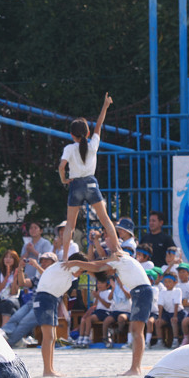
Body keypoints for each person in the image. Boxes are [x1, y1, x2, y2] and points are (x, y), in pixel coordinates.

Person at [57, 92, 121, 261]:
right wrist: (105, 105)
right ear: (87, 133)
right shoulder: (93, 145)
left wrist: (64, 179)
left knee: (70, 224)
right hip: (91, 183)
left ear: (72, 135)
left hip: (76, 185)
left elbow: (61, 166)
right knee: (105, 219)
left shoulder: (69, 149)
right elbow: (99, 124)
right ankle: (118, 250)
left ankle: (64, 257)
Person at [0, 250, 23, 323]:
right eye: (6, 257)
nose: (8, 259)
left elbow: (14, 292)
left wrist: (14, 278)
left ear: (15, 260)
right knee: (13, 310)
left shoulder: (18, 272)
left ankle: (4, 330)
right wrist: (7, 277)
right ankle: (7, 330)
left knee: (9, 304)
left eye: (11, 258)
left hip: (13, 301)